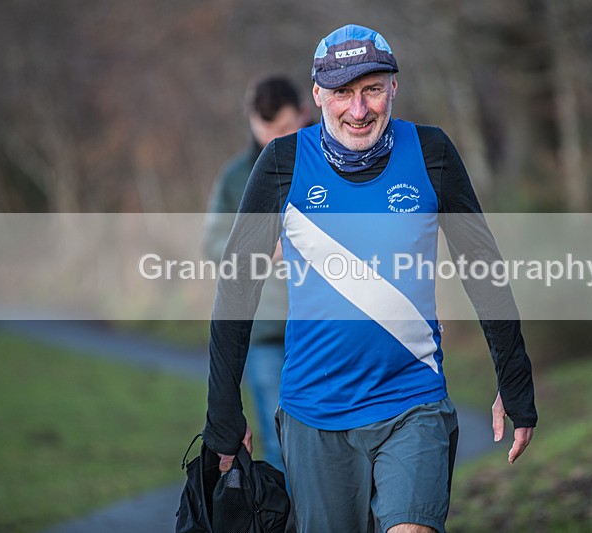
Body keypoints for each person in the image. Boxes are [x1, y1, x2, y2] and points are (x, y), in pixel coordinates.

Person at [203, 24, 537, 533]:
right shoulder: (283, 163)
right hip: (314, 414)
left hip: (413, 402)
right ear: (317, 95)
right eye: (342, 93)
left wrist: (514, 381)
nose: (358, 110)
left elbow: (482, 266)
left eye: (371, 90)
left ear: (393, 88)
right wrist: (222, 412)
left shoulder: (431, 153)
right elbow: (237, 289)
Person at [202, 75, 308, 473]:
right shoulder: (234, 178)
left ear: (304, 113)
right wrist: (262, 251)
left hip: (324, 326)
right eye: (265, 131)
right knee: (281, 445)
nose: (273, 140)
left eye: (283, 130)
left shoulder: (329, 161)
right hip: (265, 333)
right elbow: (214, 245)